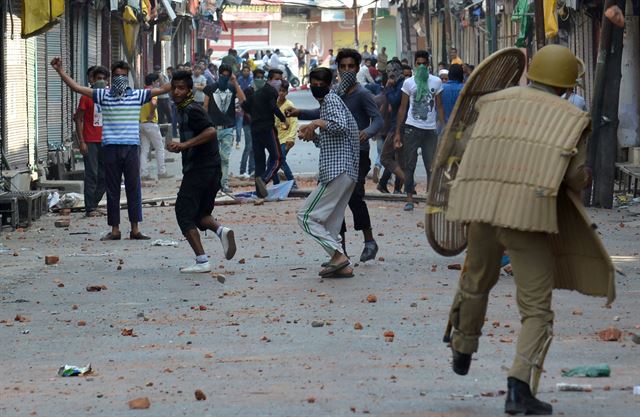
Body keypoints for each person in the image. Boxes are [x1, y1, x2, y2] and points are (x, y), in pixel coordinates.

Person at [444, 45, 614, 415]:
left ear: (531, 73)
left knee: (476, 279)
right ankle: (519, 388)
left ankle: (462, 344)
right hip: (527, 216)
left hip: (480, 206)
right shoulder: (571, 118)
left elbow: (463, 147)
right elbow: (573, 179)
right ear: (567, 86)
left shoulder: (492, 102)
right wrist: (586, 175)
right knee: (537, 309)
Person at [51, 58, 171, 240]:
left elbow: (164, 89)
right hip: (111, 148)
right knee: (112, 189)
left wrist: (164, 75)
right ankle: (115, 229)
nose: (120, 79)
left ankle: (135, 229)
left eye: (123, 76)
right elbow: (76, 88)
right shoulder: (103, 95)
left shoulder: (137, 95)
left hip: (131, 147)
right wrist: (60, 71)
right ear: (111, 78)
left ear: (128, 77)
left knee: (133, 188)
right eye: (117, 76)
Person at [287, 48, 384, 262]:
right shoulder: (336, 94)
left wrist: (366, 133)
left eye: (351, 66)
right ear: (338, 69)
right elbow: (323, 115)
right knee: (336, 203)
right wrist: (301, 113)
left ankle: (368, 240)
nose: (347, 70)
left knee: (354, 196)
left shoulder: (362, 94)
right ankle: (340, 250)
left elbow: (377, 120)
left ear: (358, 68)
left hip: (358, 151)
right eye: (343, 66)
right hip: (338, 151)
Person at [167, 70, 237, 273]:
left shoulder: (191, 109)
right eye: (174, 88)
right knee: (200, 214)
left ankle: (202, 260)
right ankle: (221, 230)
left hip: (200, 169)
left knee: (183, 212)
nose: (176, 92)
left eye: (181, 88)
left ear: (189, 89)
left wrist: (185, 144)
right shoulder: (184, 108)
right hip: (211, 170)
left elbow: (211, 131)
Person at [296, 67, 360, 278]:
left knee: (306, 216)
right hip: (344, 170)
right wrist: (312, 134)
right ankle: (343, 265)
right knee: (331, 224)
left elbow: (339, 126)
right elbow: (330, 137)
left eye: (320, 83)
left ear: (329, 84)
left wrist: (314, 123)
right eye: (313, 83)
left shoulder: (331, 100)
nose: (316, 86)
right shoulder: (328, 103)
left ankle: (339, 257)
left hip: (337, 170)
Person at [394, 50, 444, 211]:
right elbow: (402, 108)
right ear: (415, 64)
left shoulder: (436, 82)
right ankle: (409, 198)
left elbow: (439, 107)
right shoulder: (409, 83)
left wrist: (443, 128)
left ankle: (430, 198)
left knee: (432, 165)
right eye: (419, 63)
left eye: (424, 63)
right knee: (410, 165)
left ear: (428, 65)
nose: (421, 66)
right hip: (411, 128)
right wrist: (397, 133)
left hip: (430, 130)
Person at [241, 68, 288, 198]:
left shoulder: (257, 94)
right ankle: (264, 179)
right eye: (277, 79)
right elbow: (274, 107)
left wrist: (254, 116)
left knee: (259, 161)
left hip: (255, 129)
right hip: (267, 128)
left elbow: (245, 106)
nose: (279, 82)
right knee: (278, 158)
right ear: (270, 79)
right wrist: (284, 119)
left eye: (280, 79)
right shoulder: (271, 91)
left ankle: (259, 192)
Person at [203, 64, 246, 193]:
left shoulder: (232, 88)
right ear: (218, 74)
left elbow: (243, 99)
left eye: (227, 75)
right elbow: (205, 107)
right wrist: (204, 125)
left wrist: (235, 82)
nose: (224, 77)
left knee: (225, 158)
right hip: (213, 129)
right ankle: (213, 184)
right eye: (222, 74)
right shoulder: (210, 88)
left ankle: (224, 183)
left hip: (228, 128)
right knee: (212, 158)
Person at [75, 65, 108, 217]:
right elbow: (78, 119)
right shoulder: (86, 97)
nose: (101, 81)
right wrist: (81, 141)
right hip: (90, 140)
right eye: (98, 78)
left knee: (105, 176)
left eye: (103, 79)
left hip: (107, 141)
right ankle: (90, 208)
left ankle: (93, 204)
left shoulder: (109, 96)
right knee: (92, 174)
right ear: (92, 80)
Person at [378, 60, 407, 194]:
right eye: (388, 71)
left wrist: (388, 87)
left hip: (398, 127)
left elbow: (395, 101)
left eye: (393, 71)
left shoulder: (401, 85)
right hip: (395, 126)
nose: (390, 74)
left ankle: (407, 181)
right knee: (399, 159)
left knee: (385, 157)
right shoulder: (397, 85)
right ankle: (401, 187)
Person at [139, 73, 171, 181]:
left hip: (141, 123)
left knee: (144, 149)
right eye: (157, 81)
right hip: (151, 123)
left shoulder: (141, 92)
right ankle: (161, 171)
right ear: (153, 83)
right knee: (159, 148)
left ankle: (144, 173)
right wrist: (152, 113)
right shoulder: (153, 92)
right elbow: (153, 103)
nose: (158, 83)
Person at [271, 80, 298, 189]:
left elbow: (294, 122)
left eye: (283, 91)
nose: (281, 93)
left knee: (280, 161)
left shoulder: (289, 105)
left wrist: (291, 138)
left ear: (287, 93)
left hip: (286, 138)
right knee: (273, 163)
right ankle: (276, 184)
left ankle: (293, 183)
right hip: (275, 138)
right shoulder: (273, 103)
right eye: (279, 90)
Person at [239, 69, 263, 178]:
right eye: (257, 77)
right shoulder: (249, 91)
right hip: (248, 122)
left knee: (254, 147)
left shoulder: (263, 91)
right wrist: (249, 116)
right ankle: (243, 170)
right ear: (254, 78)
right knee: (248, 146)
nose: (260, 79)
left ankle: (252, 169)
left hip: (258, 122)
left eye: (261, 77)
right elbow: (244, 106)